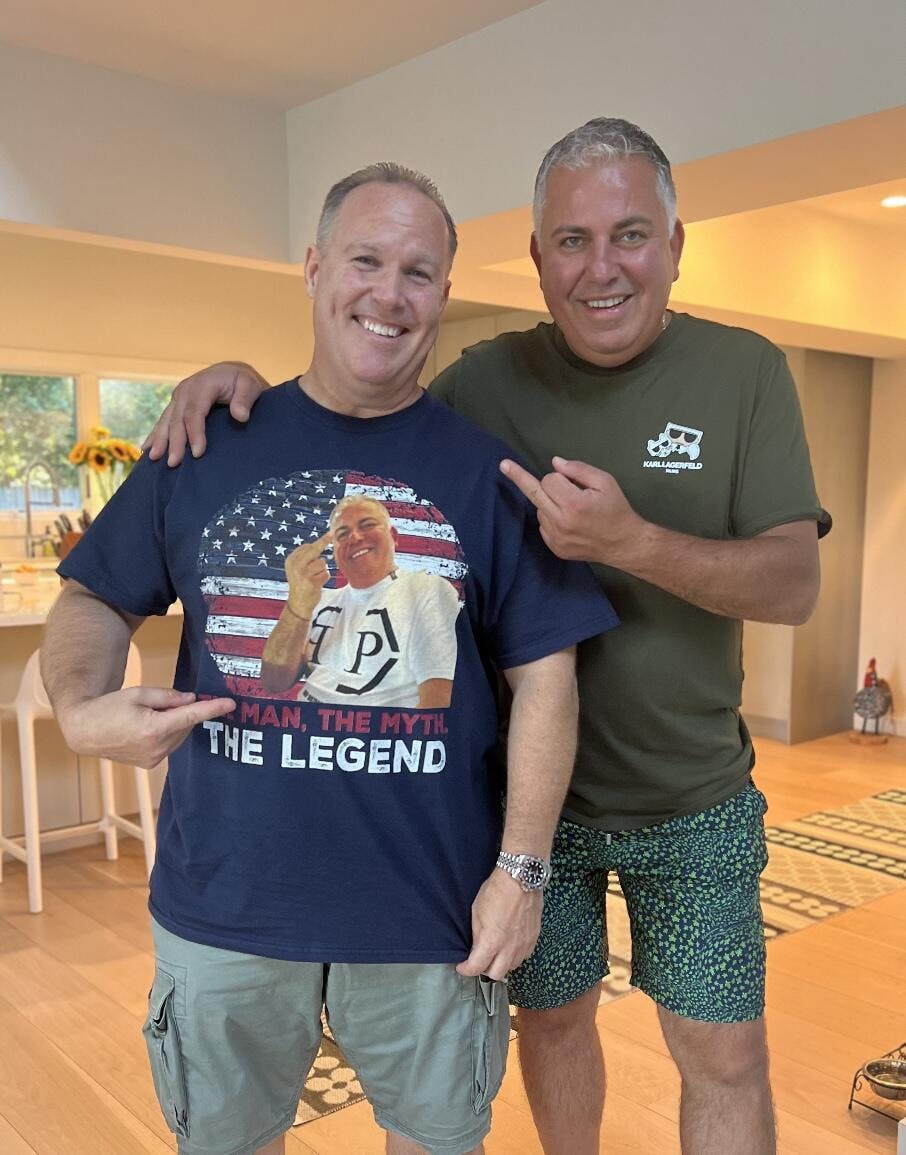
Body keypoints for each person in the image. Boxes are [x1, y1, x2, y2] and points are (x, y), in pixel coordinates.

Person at [142, 118, 831, 1155]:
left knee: (723, 1053)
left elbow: (795, 584)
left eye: (631, 235)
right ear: (540, 258)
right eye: (572, 241)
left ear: (676, 246)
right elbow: (361, 396)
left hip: (692, 799)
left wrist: (633, 541)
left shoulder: (744, 371)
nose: (601, 267)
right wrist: (241, 387)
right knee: (552, 1026)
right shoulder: (484, 383)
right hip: (521, 813)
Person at [41, 162, 618, 1155]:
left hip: (430, 913)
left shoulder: (482, 477)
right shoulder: (204, 447)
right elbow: (96, 596)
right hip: (225, 904)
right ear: (314, 268)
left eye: (418, 272)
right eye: (364, 260)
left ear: (444, 292)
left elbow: (547, 680)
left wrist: (521, 871)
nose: (389, 293)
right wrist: (78, 708)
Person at [260, 494, 460, 707]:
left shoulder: (427, 590)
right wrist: (298, 602)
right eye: (342, 534)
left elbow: (438, 702)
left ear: (393, 536)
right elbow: (274, 682)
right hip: (304, 723)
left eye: (367, 525)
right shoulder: (317, 601)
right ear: (335, 553)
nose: (354, 537)